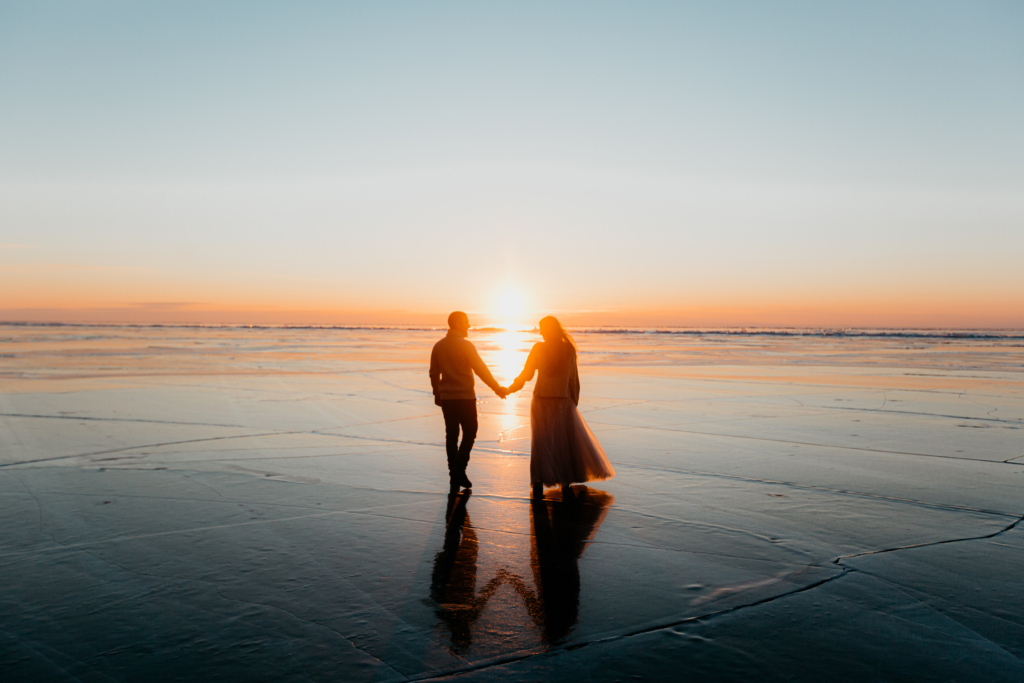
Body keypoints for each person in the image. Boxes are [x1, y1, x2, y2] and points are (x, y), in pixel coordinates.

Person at [505, 316, 615, 500]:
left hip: (541, 401)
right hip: (562, 402)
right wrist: (573, 404)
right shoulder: (568, 349)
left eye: (541, 328)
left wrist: (509, 389)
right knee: (563, 444)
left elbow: (526, 374)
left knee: (541, 443)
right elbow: (574, 380)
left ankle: (539, 482)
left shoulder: (539, 348)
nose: (539, 332)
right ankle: (565, 484)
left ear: (548, 329)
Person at [430, 311, 506, 492]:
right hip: (465, 398)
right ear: (457, 324)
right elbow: (481, 369)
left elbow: (434, 373)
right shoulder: (466, 346)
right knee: (470, 431)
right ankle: (459, 469)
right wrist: (496, 388)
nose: (469, 326)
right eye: (466, 322)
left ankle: (454, 472)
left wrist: (437, 393)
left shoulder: (438, 346)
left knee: (452, 434)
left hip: (448, 398)